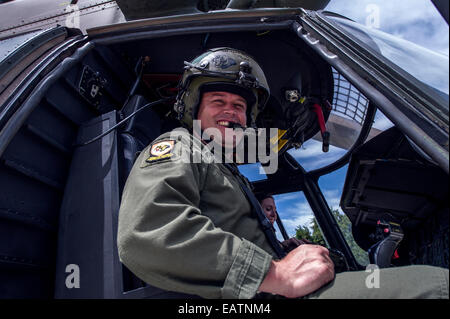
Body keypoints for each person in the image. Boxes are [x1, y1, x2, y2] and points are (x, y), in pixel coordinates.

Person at [117, 47, 449, 299]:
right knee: (435, 288)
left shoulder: (226, 169)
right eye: (218, 101)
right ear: (194, 110)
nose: (231, 111)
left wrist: (284, 250)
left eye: (239, 106)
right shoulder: (181, 145)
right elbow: (148, 232)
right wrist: (275, 272)